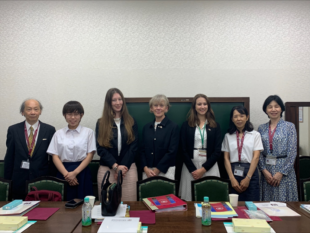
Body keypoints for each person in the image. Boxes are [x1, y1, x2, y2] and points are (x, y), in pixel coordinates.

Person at [4, 99, 56, 200]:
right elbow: (10, 156)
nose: (33, 112)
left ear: (40, 111)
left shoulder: (49, 130)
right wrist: (7, 181)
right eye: (29, 109)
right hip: (19, 181)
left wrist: (52, 179)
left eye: (36, 109)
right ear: (22, 112)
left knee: (41, 212)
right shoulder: (13, 130)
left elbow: (53, 157)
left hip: (42, 179)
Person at [47, 101, 96, 200]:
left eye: (76, 114)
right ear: (64, 115)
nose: (73, 117)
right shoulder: (58, 134)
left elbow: (90, 155)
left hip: (82, 172)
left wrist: (75, 173)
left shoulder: (88, 132)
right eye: (69, 114)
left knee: (84, 202)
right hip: (63, 172)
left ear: (81, 115)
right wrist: (67, 175)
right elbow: (55, 156)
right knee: (63, 203)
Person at [96, 88, 138, 201]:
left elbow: (134, 146)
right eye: (114, 100)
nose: (118, 102)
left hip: (128, 169)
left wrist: (122, 168)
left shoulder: (132, 121)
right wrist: (115, 167)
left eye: (120, 99)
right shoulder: (101, 123)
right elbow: (100, 148)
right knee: (107, 206)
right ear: (109, 103)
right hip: (107, 169)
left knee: (129, 206)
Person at [179, 94, 222, 201]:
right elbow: (182, 149)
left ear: (208, 106)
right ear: (194, 107)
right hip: (190, 169)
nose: (202, 106)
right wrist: (193, 170)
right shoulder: (186, 125)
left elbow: (217, 151)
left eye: (204, 104)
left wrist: (203, 169)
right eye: (199, 104)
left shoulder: (215, 126)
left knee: (210, 198)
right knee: (190, 198)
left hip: (209, 167)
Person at [258, 95, 298, 201]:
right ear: (266, 110)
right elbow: (259, 152)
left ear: (281, 108)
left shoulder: (290, 126)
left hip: (284, 170)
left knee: (285, 205)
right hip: (267, 170)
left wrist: (281, 172)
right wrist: (264, 170)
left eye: (276, 106)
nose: (273, 109)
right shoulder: (261, 128)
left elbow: (292, 152)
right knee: (267, 205)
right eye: (270, 107)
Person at [222, 106, 263, 201]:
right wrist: (232, 179)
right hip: (233, 172)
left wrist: (248, 178)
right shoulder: (228, 136)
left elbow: (256, 157)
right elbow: (226, 158)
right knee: (234, 205)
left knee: (252, 204)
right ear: (232, 119)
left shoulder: (255, 135)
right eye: (235, 116)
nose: (239, 119)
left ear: (247, 117)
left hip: (250, 172)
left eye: (241, 116)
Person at [141, 94, 179, 180]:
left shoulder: (173, 127)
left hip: (166, 170)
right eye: (155, 105)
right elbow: (142, 151)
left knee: (165, 193)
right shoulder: (146, 127)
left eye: (161, 105)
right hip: (148, 171)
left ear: (166, 108)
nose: (158, 108)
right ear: (151, 108)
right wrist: (145, 168)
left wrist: (158, 170)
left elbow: (172, 151)